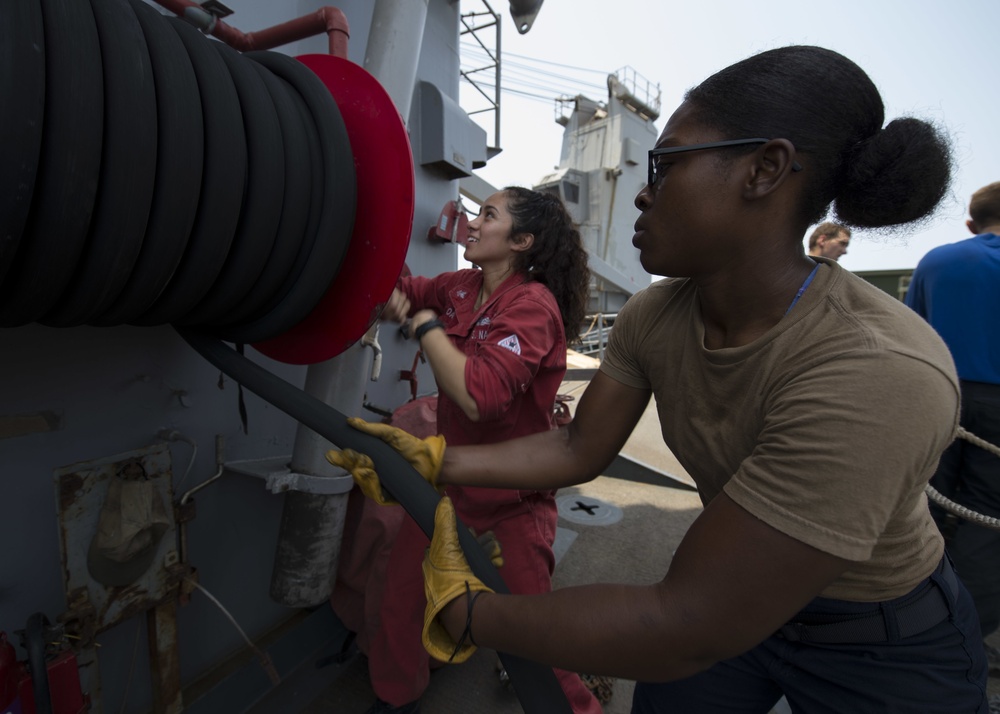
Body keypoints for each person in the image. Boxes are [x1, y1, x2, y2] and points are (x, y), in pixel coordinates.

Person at [332, 45, 990, 713]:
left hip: (875, 640)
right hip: (727, 614)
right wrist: (437, 462)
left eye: (666, 164)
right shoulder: (657, 313)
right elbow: (575, 449)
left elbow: (688, 623)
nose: (644, 190)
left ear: (764, 170)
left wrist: (467, 616)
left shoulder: (877, 370)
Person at [329, 186, 600, 714]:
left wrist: (424, 324)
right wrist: (376, 291)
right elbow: (407, 291)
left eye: (488, 215)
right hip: (447, 485)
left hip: (512, 496)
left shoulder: (533, 308)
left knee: (534, 633)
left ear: (521, 241)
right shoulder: (460, 285)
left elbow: (481, 396)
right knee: (399, 598)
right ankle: (395, 695)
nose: (473, 223)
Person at [905, 181, 1000, 658]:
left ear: (971, 223)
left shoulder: (937, 261)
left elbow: (911, 334)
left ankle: (909, 615)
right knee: (989, 519)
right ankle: (958, 636)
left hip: (939, 396)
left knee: (927, 507)